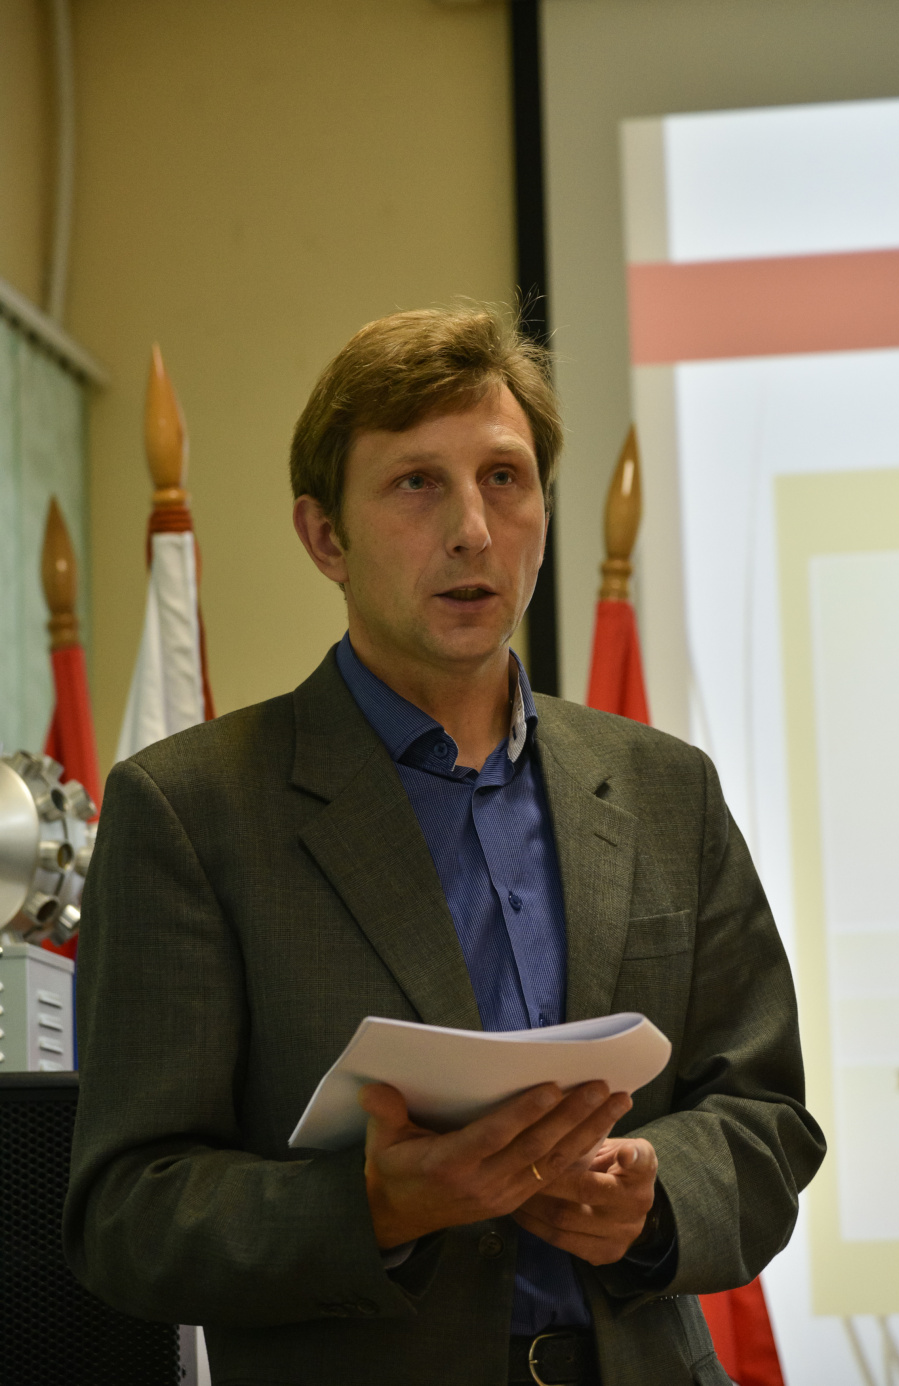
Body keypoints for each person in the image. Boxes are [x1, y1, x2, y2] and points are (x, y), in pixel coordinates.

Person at [65, 307, 825, 1386]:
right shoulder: (190, 811)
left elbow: (770, 1120)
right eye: (417, 483)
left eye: (504, 478)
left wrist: (657, 1199)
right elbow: (126, 1215)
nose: (473, 528)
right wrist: (374, 1208)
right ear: (325, 538)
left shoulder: (667, 788)